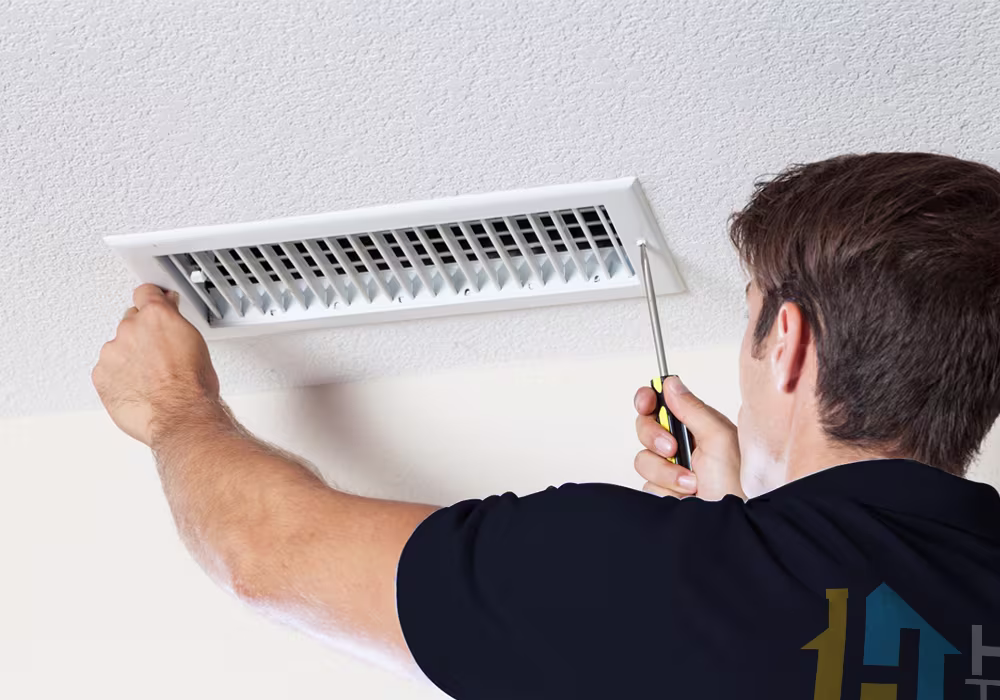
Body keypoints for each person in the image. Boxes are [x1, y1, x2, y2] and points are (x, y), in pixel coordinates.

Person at [92, 152, 1000, 699]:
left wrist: (174, 408)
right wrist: (751, 519)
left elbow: (266, 555)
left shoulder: (648, 574)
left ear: (788, 343)